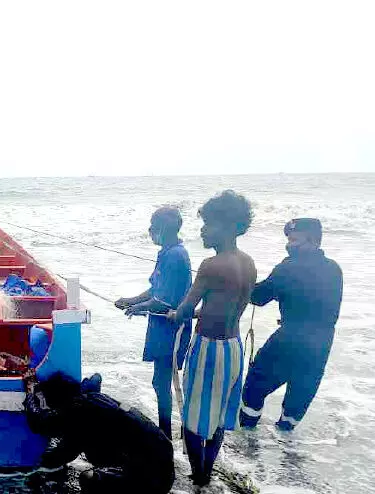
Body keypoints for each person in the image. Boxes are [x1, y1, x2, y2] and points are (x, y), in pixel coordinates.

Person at [167, 190, 256, 490]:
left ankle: (199, 476)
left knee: (193, 417)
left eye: (209, 224)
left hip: (208, 349)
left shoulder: (210, 265)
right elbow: (222, 304)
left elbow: (184, 311)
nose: (203, 230)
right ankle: (208, 470)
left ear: (230, 226)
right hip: (233, 348)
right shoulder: (248, 262)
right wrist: (191, 313)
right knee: (218, 414)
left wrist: (174, 314)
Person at [240, 218, 343, 431]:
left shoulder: (289, 267)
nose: (289, 244)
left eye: (294, 239)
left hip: (290, 338)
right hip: (321, 344)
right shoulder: (334, 269)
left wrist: (240, 282)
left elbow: (258, 297)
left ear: (312, 240)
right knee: (298, 398)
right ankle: (286, 453)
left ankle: (247, 439)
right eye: (288, 239)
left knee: (254, 386)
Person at [24, 372, 175, 494]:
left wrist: (30, 392)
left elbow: (39, 424)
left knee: (88, 478)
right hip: (163, 463)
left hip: (154, 480)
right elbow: (96, 377)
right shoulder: (92, 398)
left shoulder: (78, 414)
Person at [115, 206, 192, 439]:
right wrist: (131, 300)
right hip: (160, 326)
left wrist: (137, 308)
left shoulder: (175, 255)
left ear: (163, 228)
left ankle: (165, 433)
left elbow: (163, 300)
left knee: (162, 382)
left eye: (152, 226)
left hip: (170, 327)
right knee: (159, 381)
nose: (149, 231)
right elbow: (154, 289)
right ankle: (165, 430)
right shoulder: (167, 252)